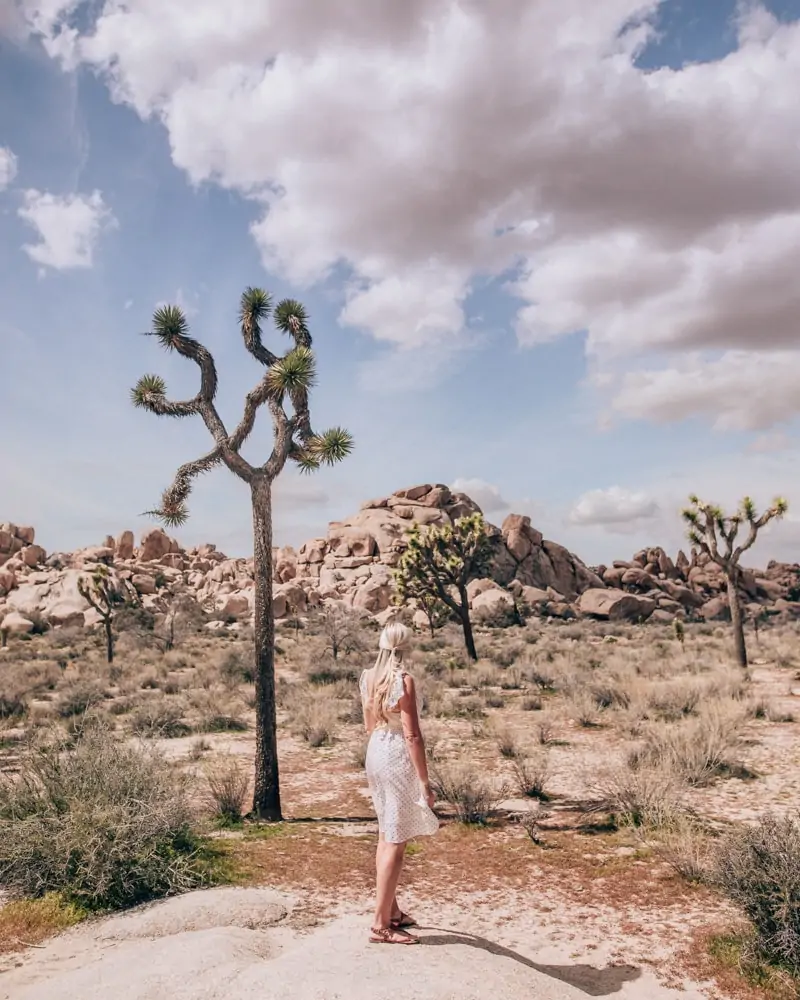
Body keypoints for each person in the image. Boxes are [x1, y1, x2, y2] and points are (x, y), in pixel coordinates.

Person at [359, 622, 439, 945]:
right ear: (407, 647)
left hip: (375, 750)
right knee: (397, 841)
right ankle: (381, 924)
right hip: (395, 756)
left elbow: (369, 723)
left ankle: (390, 910)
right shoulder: (404, 681)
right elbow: (413, 735)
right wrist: (424, 781)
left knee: (385, 832)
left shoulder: (368, 677)